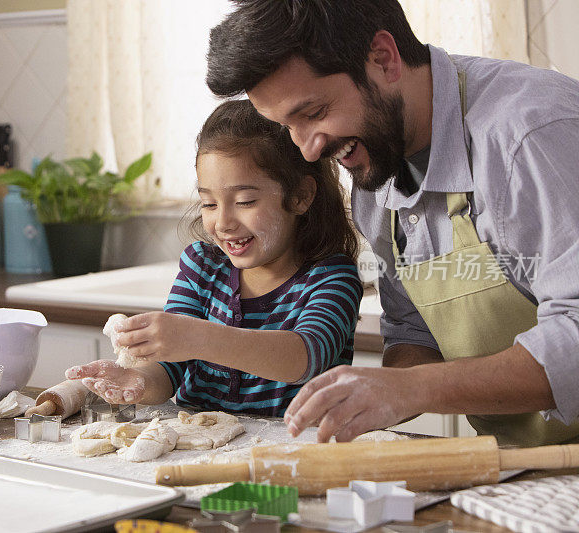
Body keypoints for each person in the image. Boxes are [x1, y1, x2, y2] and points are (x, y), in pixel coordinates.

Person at [205, 0, 579, 446]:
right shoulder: (374, 167)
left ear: (384, 59)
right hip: (525, 467)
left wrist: (411, 389)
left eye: (313, 113)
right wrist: (368, 399)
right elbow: (414, 329)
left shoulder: (529, 134)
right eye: (287, 126)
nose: (306, 149)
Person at [64, 99, 363, 417]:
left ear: (301, 196)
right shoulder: (201, 268)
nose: (223, 223)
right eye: (209, 203)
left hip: (293, 454)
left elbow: (305, 358)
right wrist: (137, 380)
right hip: (197, 448)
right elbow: (168, 369)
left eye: (245, 201)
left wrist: (195, 336)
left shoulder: (331, 278)